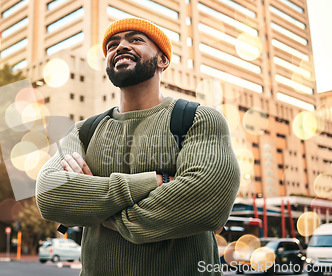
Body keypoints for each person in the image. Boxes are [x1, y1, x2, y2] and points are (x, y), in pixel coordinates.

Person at [36, 17, 240, 275]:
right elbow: (48, 195)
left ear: (163, 60)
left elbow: (209, 205)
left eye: (135, 39)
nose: (119, 47)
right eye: (112, 44)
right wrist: (156, 181)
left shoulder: (198, 119)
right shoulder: (84, 131)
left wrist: (96, 207)